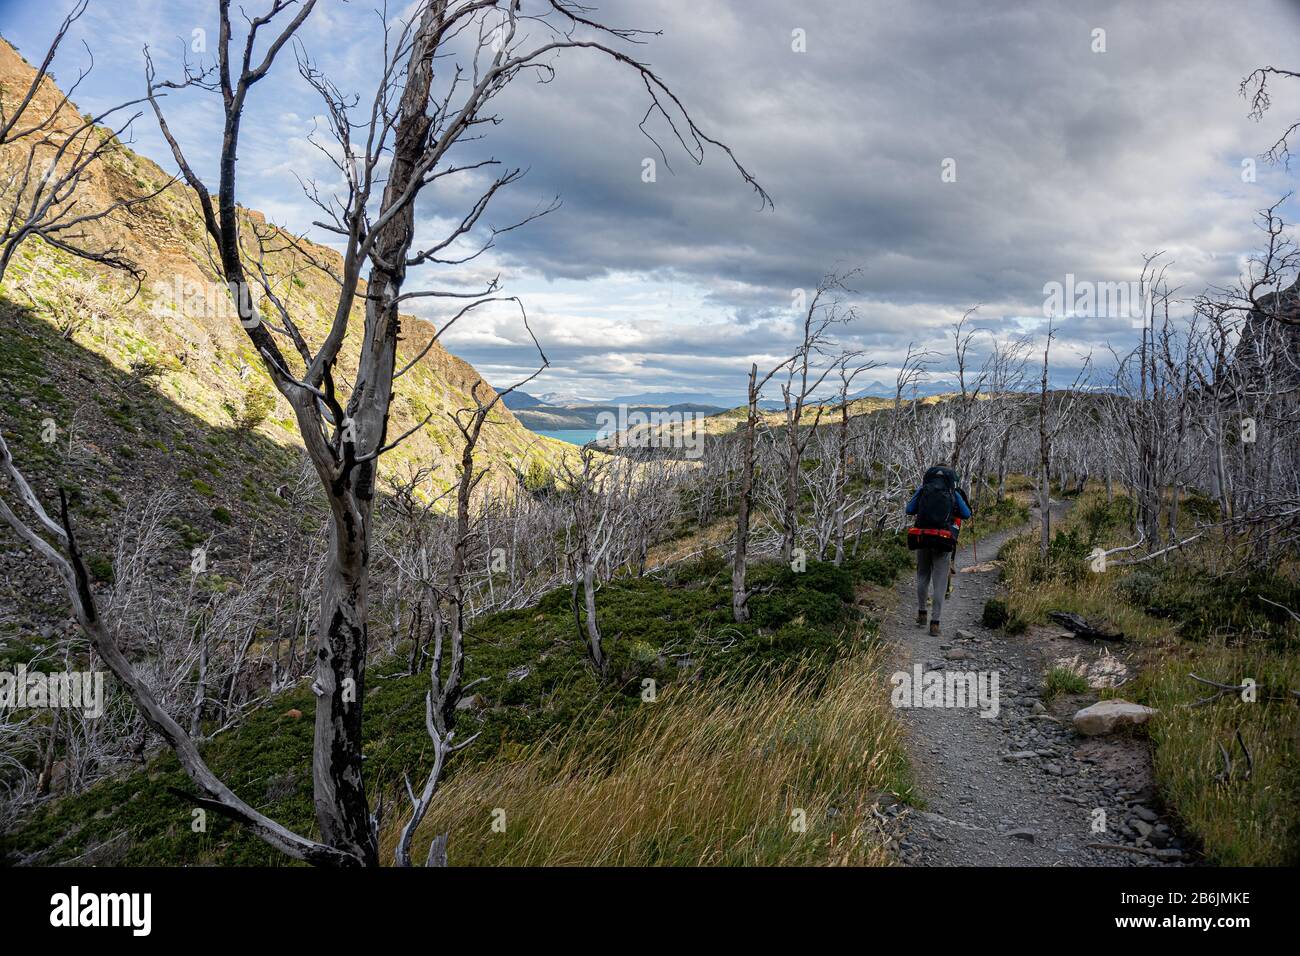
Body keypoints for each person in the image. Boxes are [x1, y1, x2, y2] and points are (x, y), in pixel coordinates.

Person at [905, 465, 972, 636]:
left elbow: (909, 509)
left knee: (922, 576)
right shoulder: (953, 491)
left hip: (923, 537)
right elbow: (966, 514)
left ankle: (921, 614)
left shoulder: (923, 489)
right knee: (940, 582)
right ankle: (935, 623)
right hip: (942, 540)